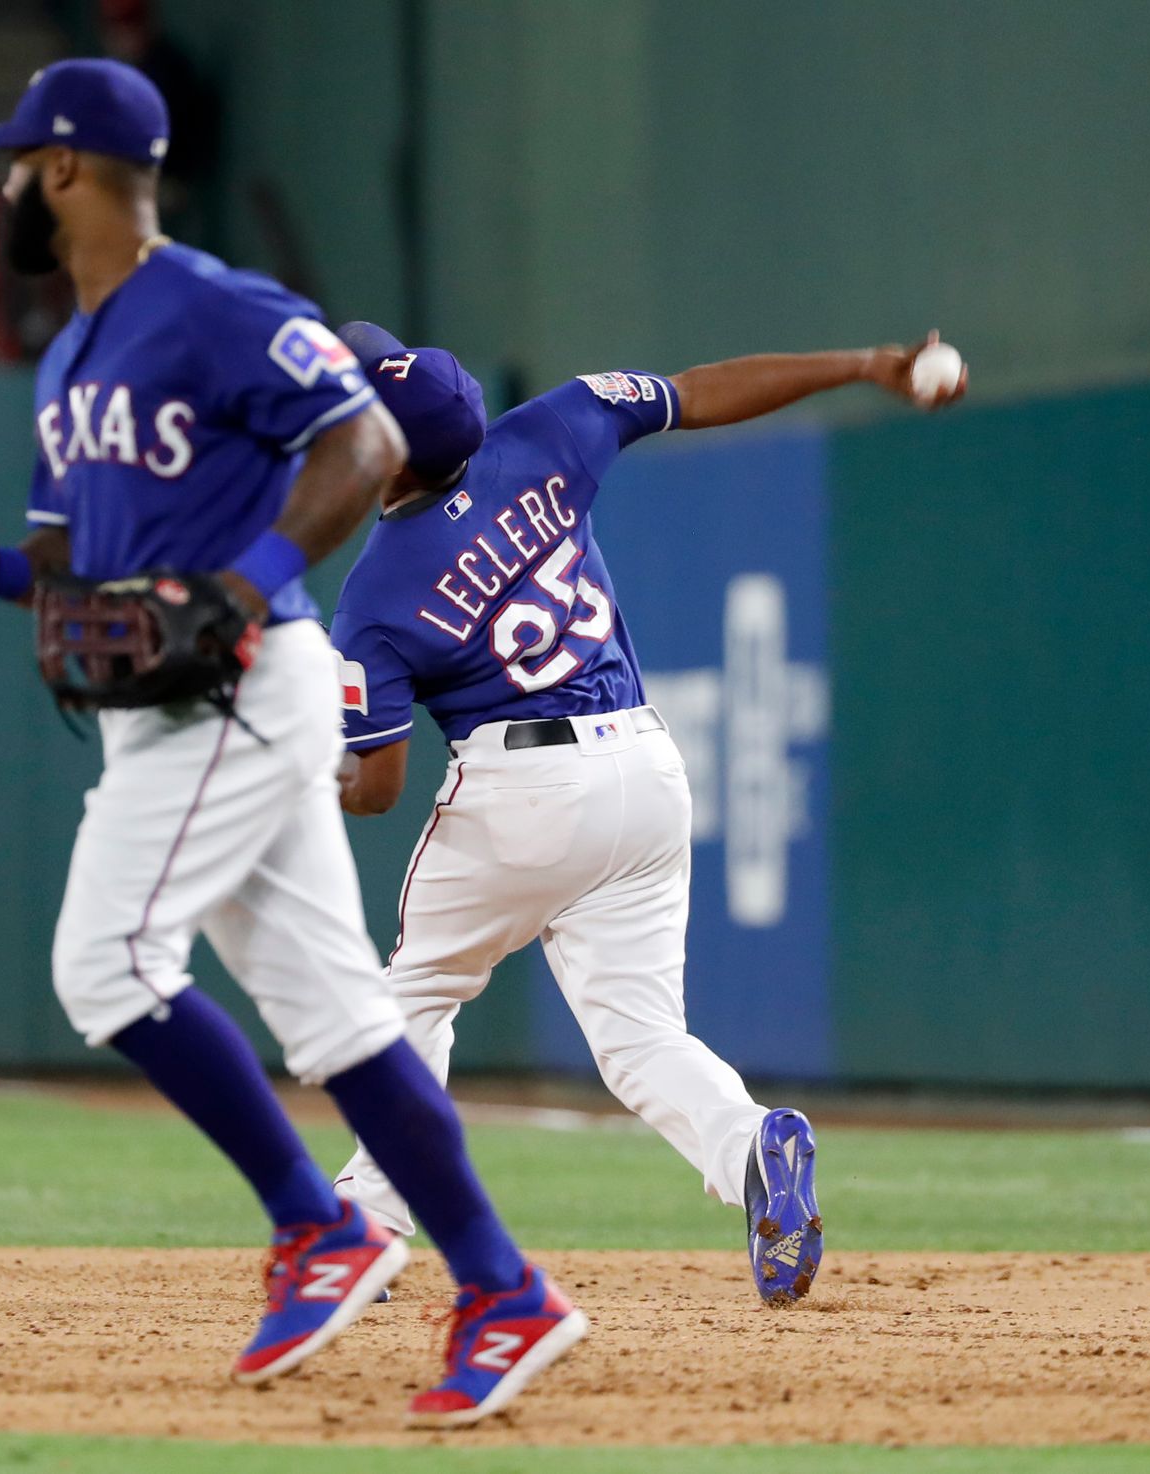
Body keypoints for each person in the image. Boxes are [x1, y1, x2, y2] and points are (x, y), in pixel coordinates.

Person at [0, 60, 584, 1429]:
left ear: (61, 169)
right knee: (341, 1016)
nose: (0, 187)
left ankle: (311, 1222)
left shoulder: (212, 307)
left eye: (13, 163)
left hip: (235, 687)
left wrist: (246, 576)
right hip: (165, 709)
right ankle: (504, 1287)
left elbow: (363, 437)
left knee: (104, 961)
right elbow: (70, 558)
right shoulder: (71, 349)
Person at [325, 322, 969, 1305]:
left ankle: (370, 1211)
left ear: (378, 450)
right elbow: (703, 389)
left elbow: (375, 789)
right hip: (642, 767)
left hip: (520, 788)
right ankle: (752, 1144)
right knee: (639, 1037)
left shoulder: (378, 587)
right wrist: (861, 364)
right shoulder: (550, 430)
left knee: (417, 988)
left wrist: (308, 767)